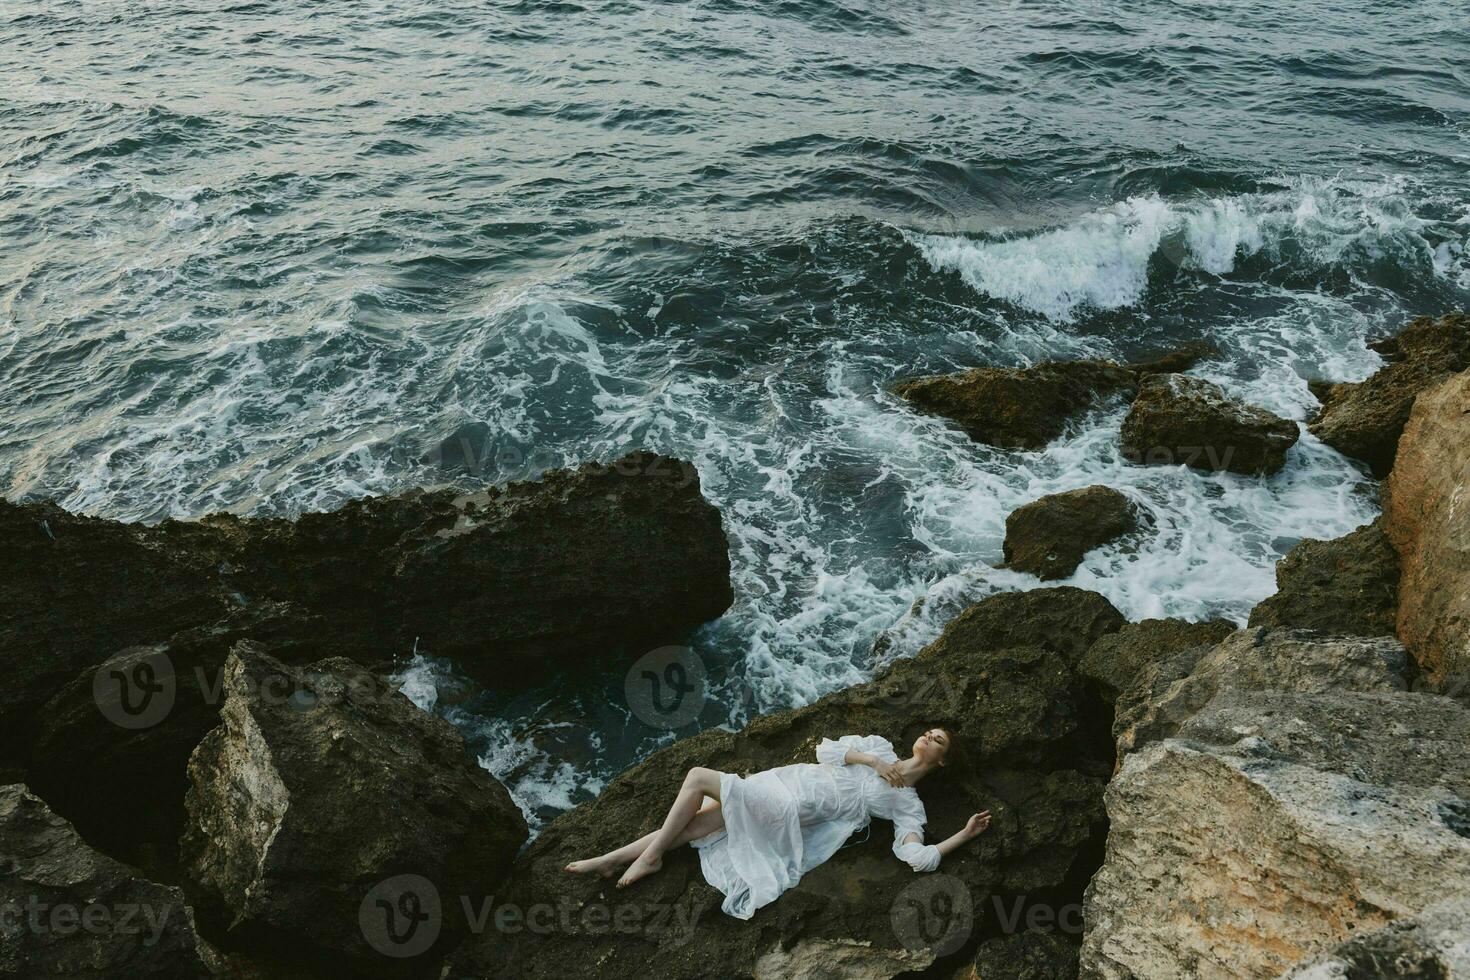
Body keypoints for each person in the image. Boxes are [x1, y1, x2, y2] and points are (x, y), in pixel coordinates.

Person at [566, 729, 992, 919]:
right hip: (784, 781)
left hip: (792, 810)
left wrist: (963, 835)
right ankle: (609, 859)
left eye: (939, 741)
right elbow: (826, 750)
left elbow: (915, 857)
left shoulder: (908, 805)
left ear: (943, 760)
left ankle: (652, 856)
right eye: (929, 732)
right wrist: (873, 761)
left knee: (697, 777)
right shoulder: (878, 747)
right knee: (700, 824)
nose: (928, 738)